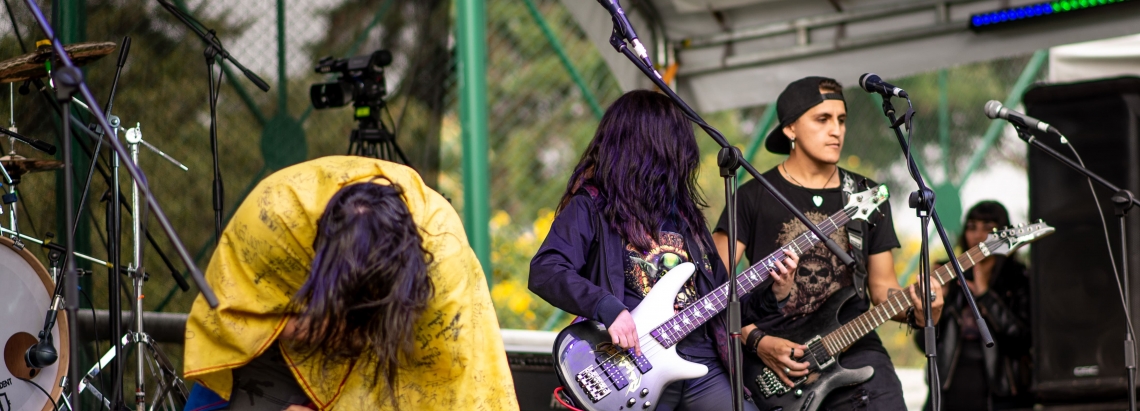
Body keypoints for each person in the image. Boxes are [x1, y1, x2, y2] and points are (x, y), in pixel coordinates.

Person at [529, 89, 799, 410]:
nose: (685, 153)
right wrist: (608, 308)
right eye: (676, 141)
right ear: (650, 146)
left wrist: (774, 294)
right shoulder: (591, 207)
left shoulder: (687, 220)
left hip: (702, 365)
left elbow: (726, 303)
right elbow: (546, 270)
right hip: (632, 366)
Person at [182, 156, 518, 411]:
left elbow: (461, 390)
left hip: (399, 342)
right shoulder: (274, 216)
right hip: (292, 342)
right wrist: (308, 327)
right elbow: (229, 317)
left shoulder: (444, 257)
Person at [712, 76, 944, 410]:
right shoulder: (752, 196)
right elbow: (711, 288)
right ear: (790, 128)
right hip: (775, 365)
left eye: (842, 120)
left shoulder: (866, 195)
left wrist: (919, 309)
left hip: (854, 346)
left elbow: (882, 290)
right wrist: (757, 341)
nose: (836, 130)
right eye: (822, 119)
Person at [914, 201, 1032, 411]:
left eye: (988, 228)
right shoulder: (948, 274)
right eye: (972, 227)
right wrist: (933, 304)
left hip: (1002, 393)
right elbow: (924, 344)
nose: (978, 236)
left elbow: (1022, 340)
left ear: (1004, 235)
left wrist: (985, 294)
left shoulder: (1018, 278)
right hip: (949, 389)